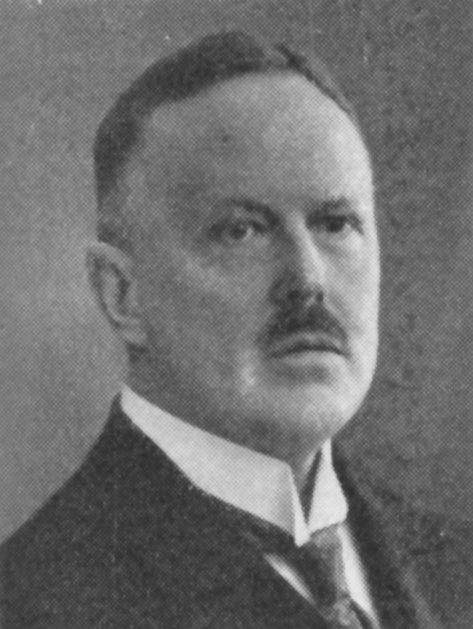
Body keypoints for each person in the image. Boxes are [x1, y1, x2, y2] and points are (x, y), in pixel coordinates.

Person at [0, 30, 471, 629]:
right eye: (241, 231)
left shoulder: (457, 567)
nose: (307, 279)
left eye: (335, 223)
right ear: (123, 295)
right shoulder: (33, 602)